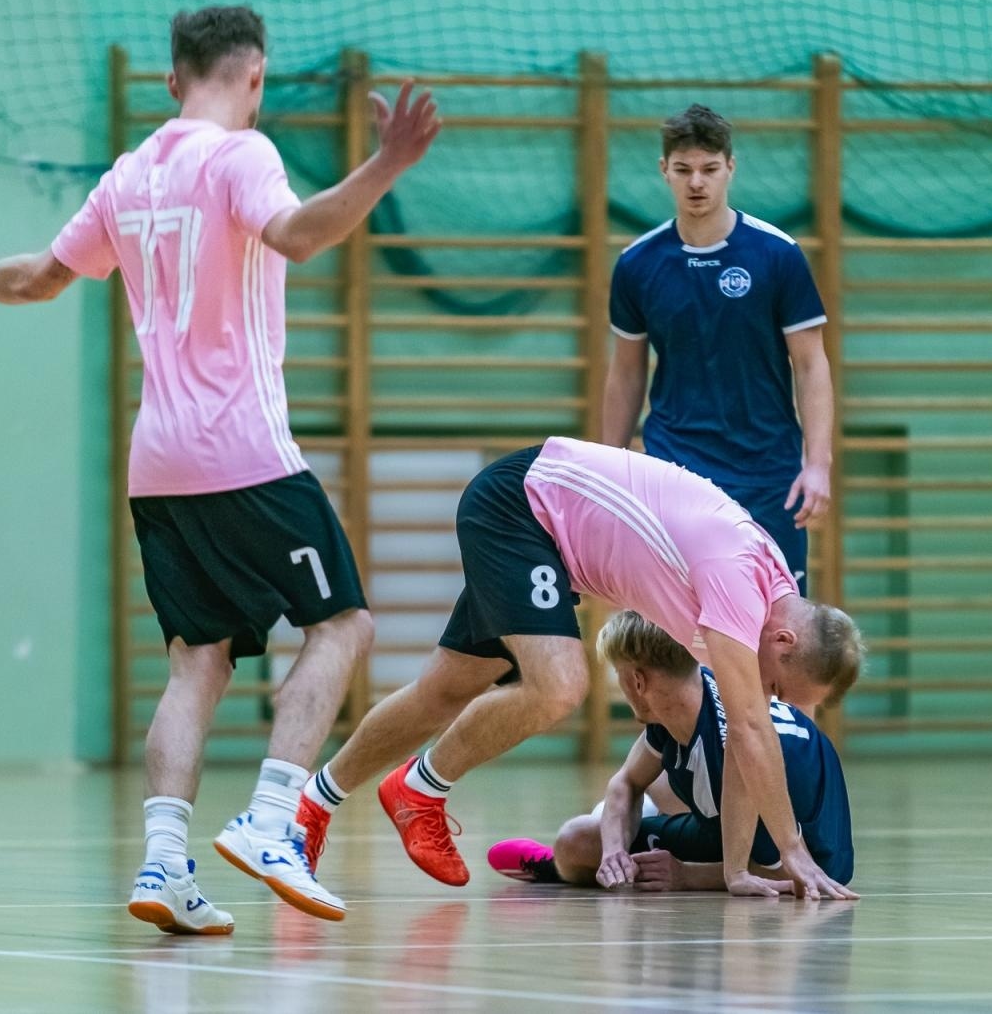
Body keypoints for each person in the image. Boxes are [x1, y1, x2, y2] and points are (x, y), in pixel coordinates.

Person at [0, 4, 440, 930]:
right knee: (342, 624)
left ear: (169, 78)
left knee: (199, 661)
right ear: (255, 78)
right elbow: (299, 237)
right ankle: (273, 817)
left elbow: (39, 279)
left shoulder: (129, 174)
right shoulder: (241, 158)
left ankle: (163, 867)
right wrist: (385, 164)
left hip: (161, 466)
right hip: (247, 452)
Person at [295, 436, 862, 901]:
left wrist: (737, 871)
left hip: (546, 534)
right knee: (560, 685)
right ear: (783, 642)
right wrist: (791, 852)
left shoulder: (773, 589)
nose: (773, 695)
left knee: (442, 690)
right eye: (780, 685)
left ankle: (311, 805)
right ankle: (419, 788)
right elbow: (752, 729)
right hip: (525, 508)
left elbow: (746, 742)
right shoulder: (739, 580)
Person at [602, 104, 835, 593]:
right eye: (683, 170)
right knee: (675, 619)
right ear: (664, 170)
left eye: (709, 169)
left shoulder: (777, 255)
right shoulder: (637, 264)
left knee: (778, 622)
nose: (696, 183)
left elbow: (811, 365)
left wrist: (817, 465)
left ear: (731, 167)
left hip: (768, 468)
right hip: (676, 463)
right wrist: (609, 467)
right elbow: (626, 372)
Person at [486, 610, 853, 892]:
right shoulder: (686, 701)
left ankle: (556, 870)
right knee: (581, 839)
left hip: (808, 861)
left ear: (636, 680)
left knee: (594, 834)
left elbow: (787, 868)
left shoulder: (735, 743)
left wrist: (686, 875)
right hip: (718, 827)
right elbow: (626, 783)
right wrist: (613, 850)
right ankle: (571, 861)